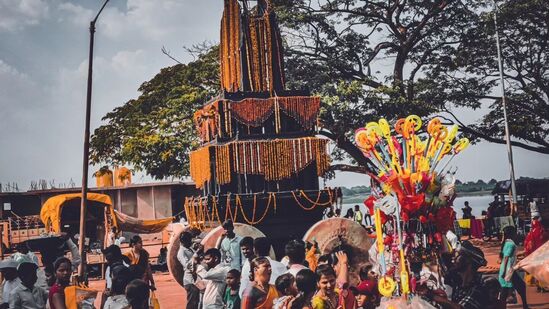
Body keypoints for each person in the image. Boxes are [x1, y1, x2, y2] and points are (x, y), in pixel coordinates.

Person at [426, 241, 487, 309]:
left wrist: (430, 295)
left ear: (468, 261)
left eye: (458, 255)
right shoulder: (459, 284)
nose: (454, 259)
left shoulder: (479, 287)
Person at [498, 226, 528, 309]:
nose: (516, 234)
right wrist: (504, 272)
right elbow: (506, 258)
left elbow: (506, 257)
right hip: (509, 270)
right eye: (515, 232)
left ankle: (525, 306)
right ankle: (525, 306)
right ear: (511, 234)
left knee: (505, 290)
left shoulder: (506, 243)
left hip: (507, 269)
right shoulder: (511, 244)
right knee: (519, 286)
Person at [177, 231, 199, 309]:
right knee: (192, 303)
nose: (191, 242)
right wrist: (195, 256)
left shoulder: (189, 248)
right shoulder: (181, 252)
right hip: (189, 280)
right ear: (184, 241)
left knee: (196, 302)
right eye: (189, 240)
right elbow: (187, 265)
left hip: (195, 279)